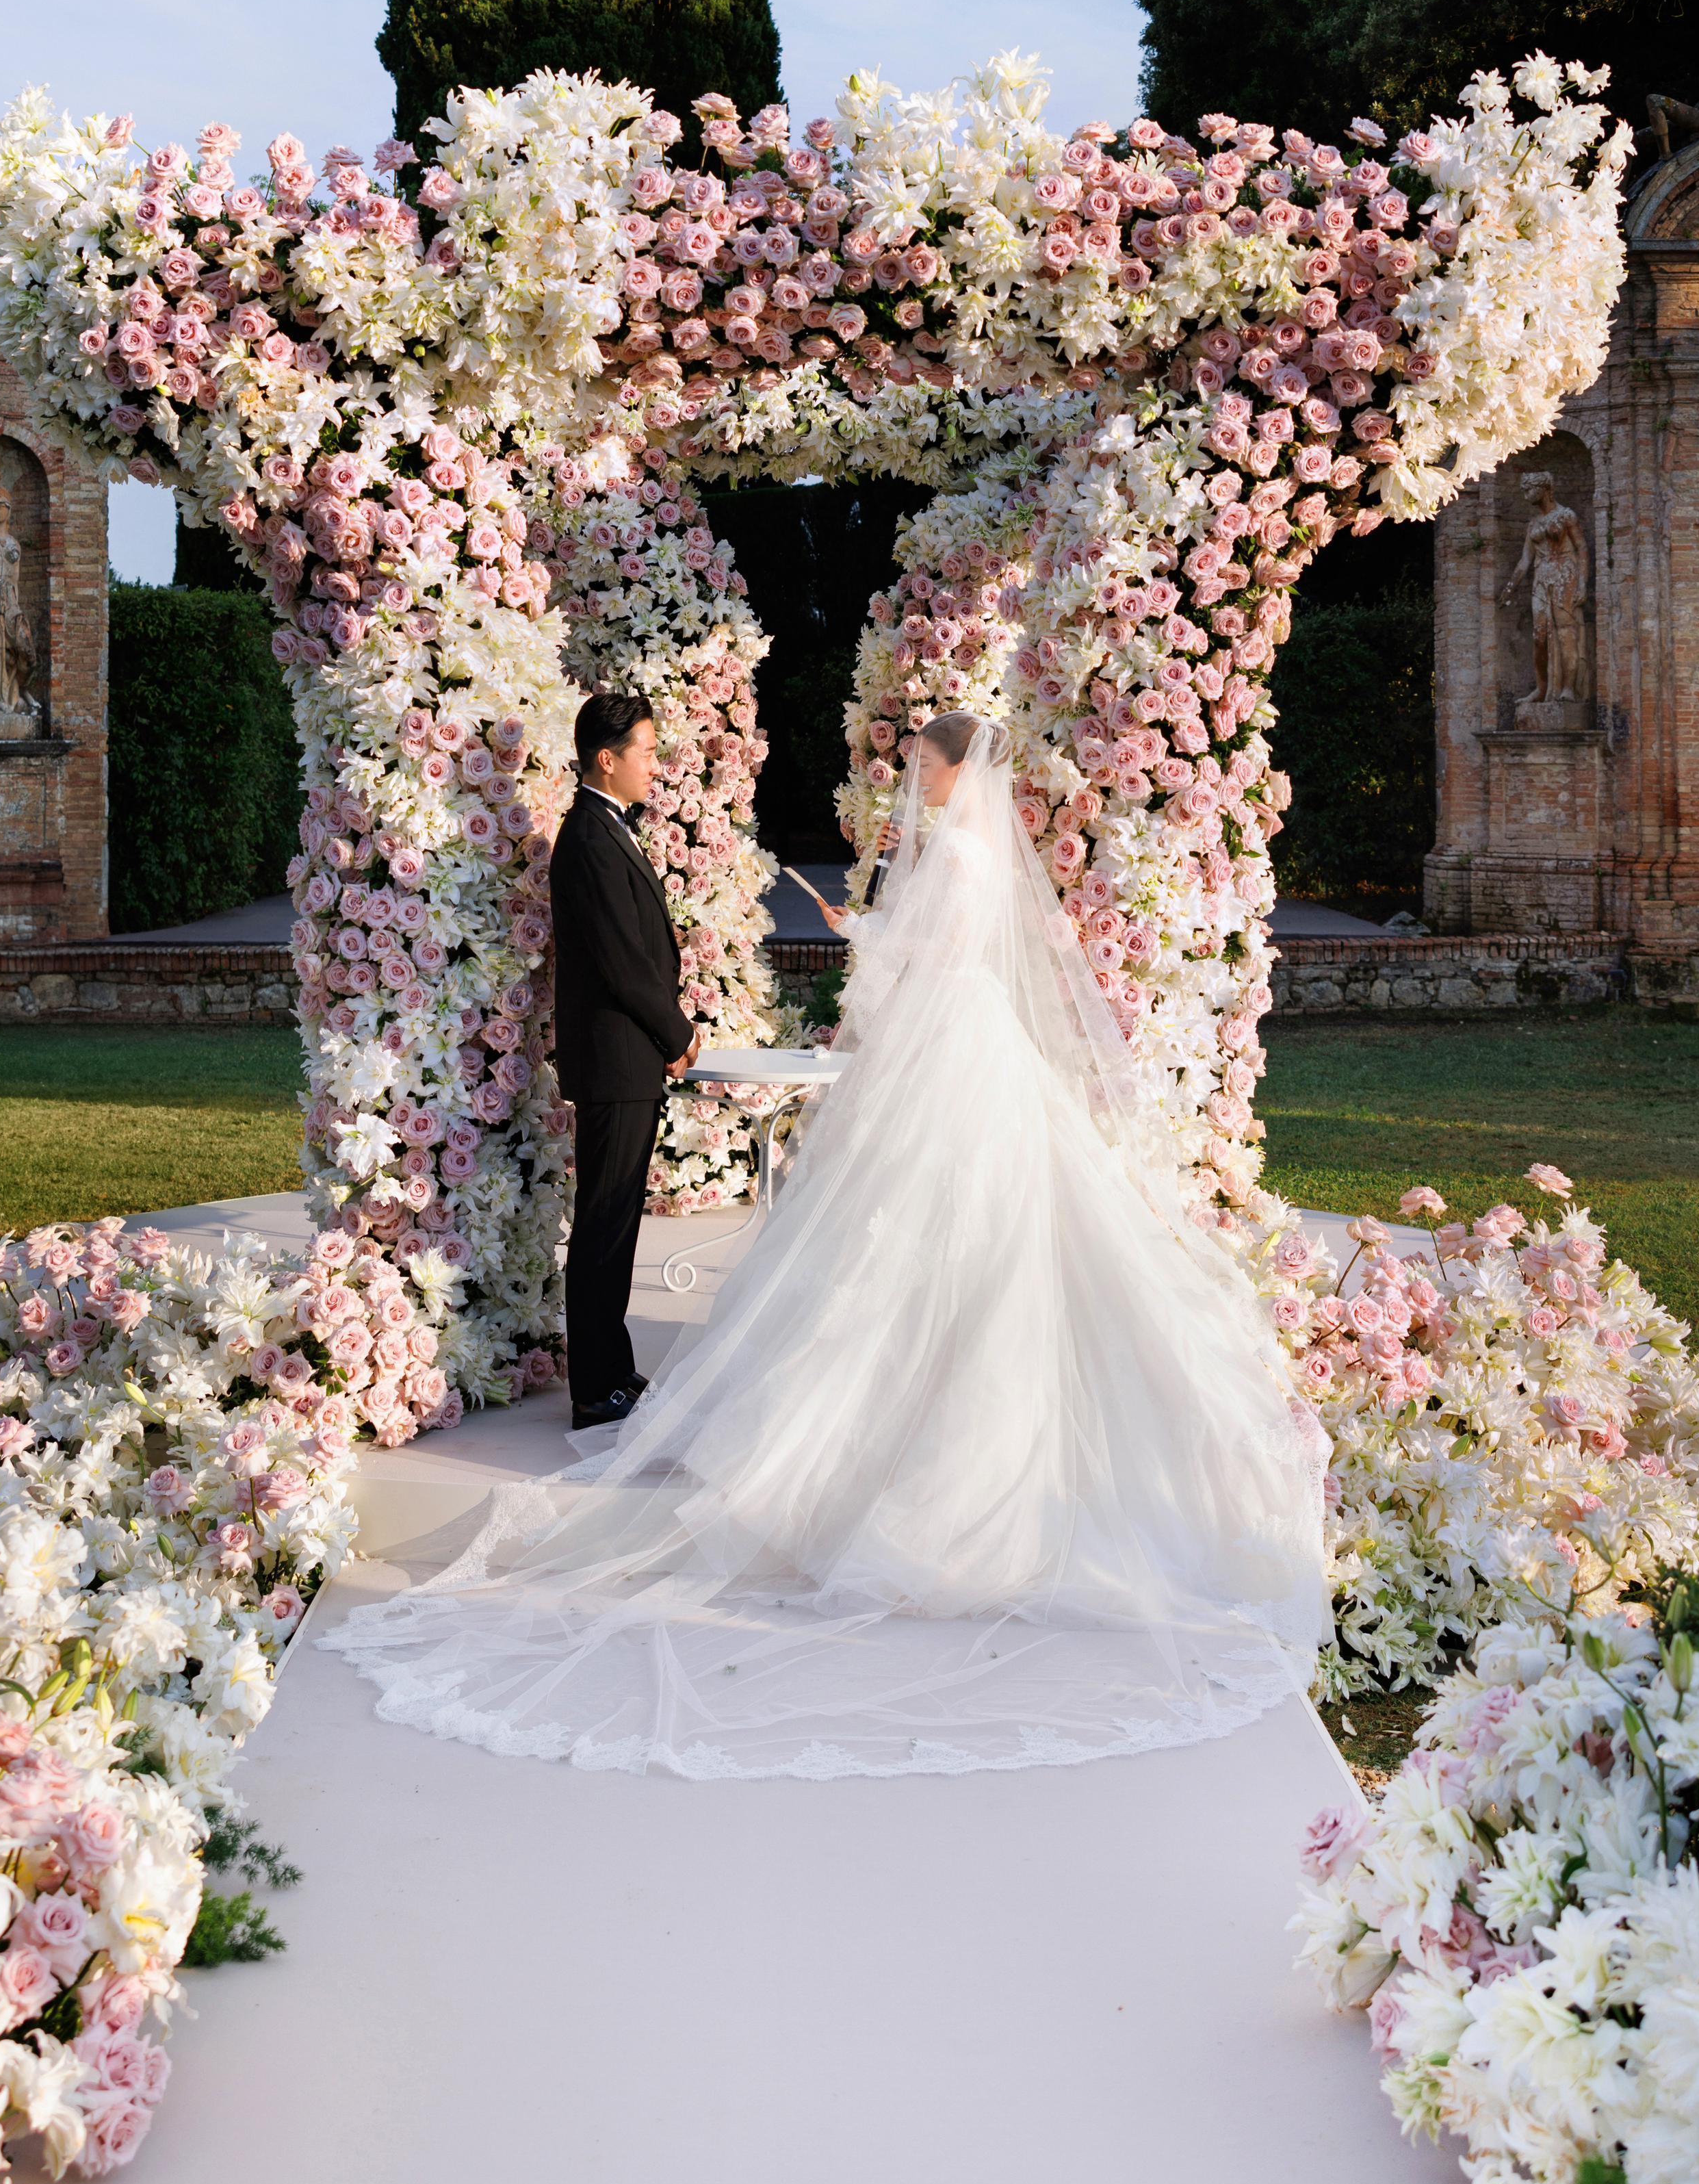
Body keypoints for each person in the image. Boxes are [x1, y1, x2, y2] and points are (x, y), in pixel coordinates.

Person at [326, 710, 1330, 1780]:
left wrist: (861, 934)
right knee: (965, 1227)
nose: (915, 780)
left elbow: (926, 961)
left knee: (920, 1228)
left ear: (954, 772)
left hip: (952, 1047)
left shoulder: (956, 855)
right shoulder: (977, 853)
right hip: (971, 1046)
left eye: (923, 766)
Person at [546, 690, 700, 1431]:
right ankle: (592, 1388)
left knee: (616, 1223)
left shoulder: (606, 828)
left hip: (625, 1058)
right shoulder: (586, 837)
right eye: (645, 750)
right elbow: (622, 962)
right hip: (615, 1059)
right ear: (606, 759)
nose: (654, 764)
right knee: (604, 1224)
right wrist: (676, 1034)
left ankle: (611, 1368)